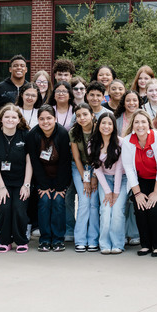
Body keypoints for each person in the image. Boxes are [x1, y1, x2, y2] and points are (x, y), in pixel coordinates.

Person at [0, 104, 32, 253]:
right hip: (2, 181)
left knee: (19, 208)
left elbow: (30, 162)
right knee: (4, 208)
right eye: (7, 117)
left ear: (19, 120)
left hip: (21, 181)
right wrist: (0, 187)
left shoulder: (25, 135)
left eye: (14, 117)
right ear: (1, 119)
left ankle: (21, 240)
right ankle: (5, 241)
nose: (10, 119)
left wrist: (27, 185)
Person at [121, 111, 157, 256]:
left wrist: (156, 193)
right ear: (132, 124)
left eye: (143, 122)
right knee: (140, 206)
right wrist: (137, 193)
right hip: (141, 179)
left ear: (149, 123)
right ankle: (145, 245)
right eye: (136, 122)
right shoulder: (128, 141)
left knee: (154, 208)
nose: (140, 125)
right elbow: (129, 169)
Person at [28, 104, 72, 252]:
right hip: (42, 177)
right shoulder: (33, 135)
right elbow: (34, 161)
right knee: (45, 201)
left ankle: (58, 239)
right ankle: (45, 239)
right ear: (38, 120)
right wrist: (44, 186)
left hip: (60, 176)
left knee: (59, 201)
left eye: (49, 118)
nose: (45, 122)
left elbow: (65, 162)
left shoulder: (62, 133)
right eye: (42, 119)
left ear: (55, 118)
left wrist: (60, 187)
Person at [89, 112, 126, 254]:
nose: (106, 126)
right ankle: (104, 244)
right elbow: (97, 169)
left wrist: (115, 192)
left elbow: (119, 169)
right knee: (105, 211)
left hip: (121, 180)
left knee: (117, 211)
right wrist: (107, 191)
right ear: (98, 125)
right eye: (103, 123)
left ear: (114, 126)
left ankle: (117, 243)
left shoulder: (120, 142)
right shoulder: (92, 143)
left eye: (110, 123)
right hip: (103, 180)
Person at [70, 103, 99, 252]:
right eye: (78, 116)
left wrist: (94, 177)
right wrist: (85, 179)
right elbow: (76, 158)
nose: (82, 118)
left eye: (85, 114)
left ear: (92, 115)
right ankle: (80, 239)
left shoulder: (99, 129)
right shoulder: (74, 132)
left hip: (98, 168)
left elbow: (99, 156)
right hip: (79, 168)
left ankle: (93, 239)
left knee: (94, 203)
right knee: (83, 201)